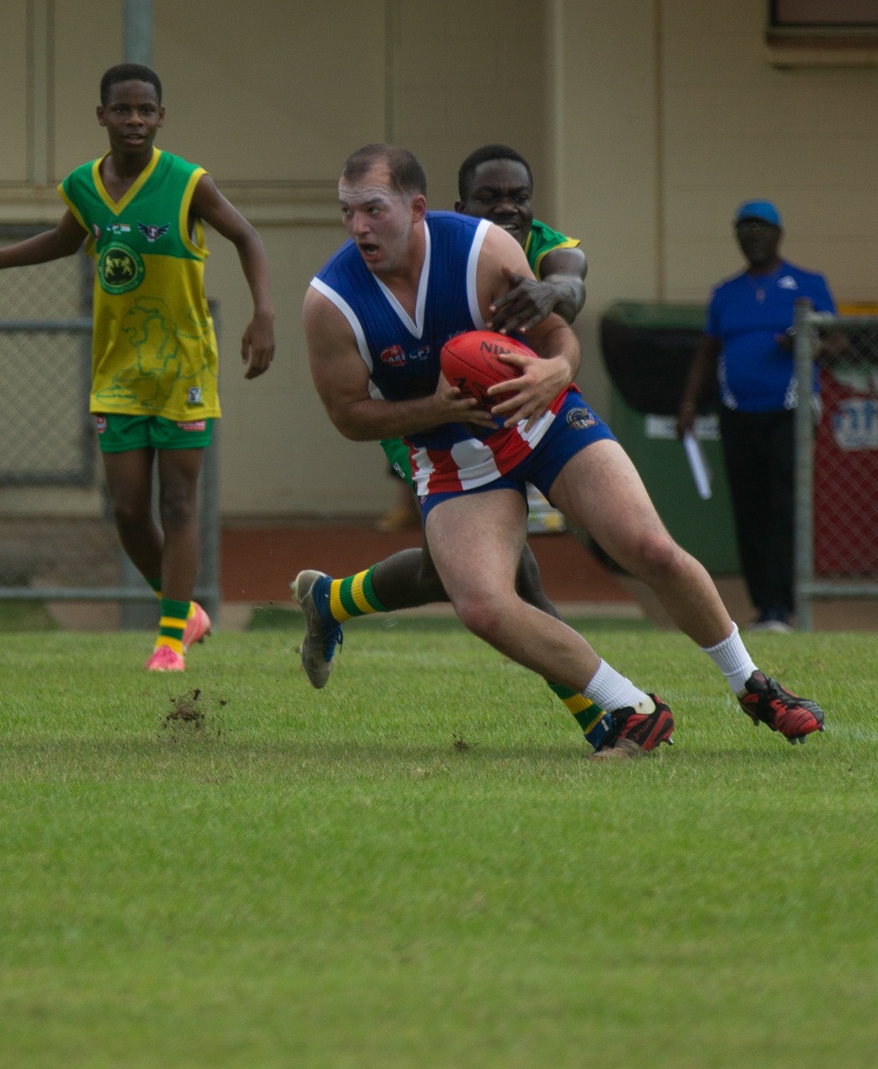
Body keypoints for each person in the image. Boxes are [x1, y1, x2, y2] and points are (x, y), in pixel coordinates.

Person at [298, 145, 824, 756]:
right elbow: (348, 416)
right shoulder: (330, 302)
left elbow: (560, 333)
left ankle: (752, 683)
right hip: (452, 455)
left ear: (417, 209)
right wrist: (437, 409)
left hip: (545, 420)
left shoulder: (484, 250)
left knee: (648, 546)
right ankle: (630, 707)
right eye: (347, 211)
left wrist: (554, 371)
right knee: (484, 603)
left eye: (372, 209)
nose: (358, 225)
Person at [0, 62, 275, 671]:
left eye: (145, 110)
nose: (134, 120)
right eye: (122, 109)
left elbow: (248, 238)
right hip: (118, 370)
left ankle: (168, 642)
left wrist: (263, 312)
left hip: (183, 366)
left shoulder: (189, 182)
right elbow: (61, 240)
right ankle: (183, 609)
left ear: (161, 117)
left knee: (180, 505)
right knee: (129, 512)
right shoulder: (84, 186)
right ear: (102, 116)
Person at [295, 143, 614, 752]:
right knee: (513, 582)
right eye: (490, 200)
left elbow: (569, 286)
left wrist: (554, 301)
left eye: (518, 198)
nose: (507, 211)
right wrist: (437, 408)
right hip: (432, 427)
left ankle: (330, 600)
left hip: (521, 414)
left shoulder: (529, 244)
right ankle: (604, 715)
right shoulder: (409, 257)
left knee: (451, 574)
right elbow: (349, 414)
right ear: (451, 210)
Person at [677, 199, 836, 632]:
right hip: (736, 412)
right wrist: (689, 404)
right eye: (745, 231)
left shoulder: (807, 284)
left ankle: (783, 607)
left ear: (778, 235)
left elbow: (836, 343)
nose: (754, 237)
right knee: (748, 507)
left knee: (783, 504)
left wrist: (804, 341)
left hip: (791, 409)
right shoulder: (725, 292)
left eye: (762, 229)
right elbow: (708, 351)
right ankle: (764, 606)